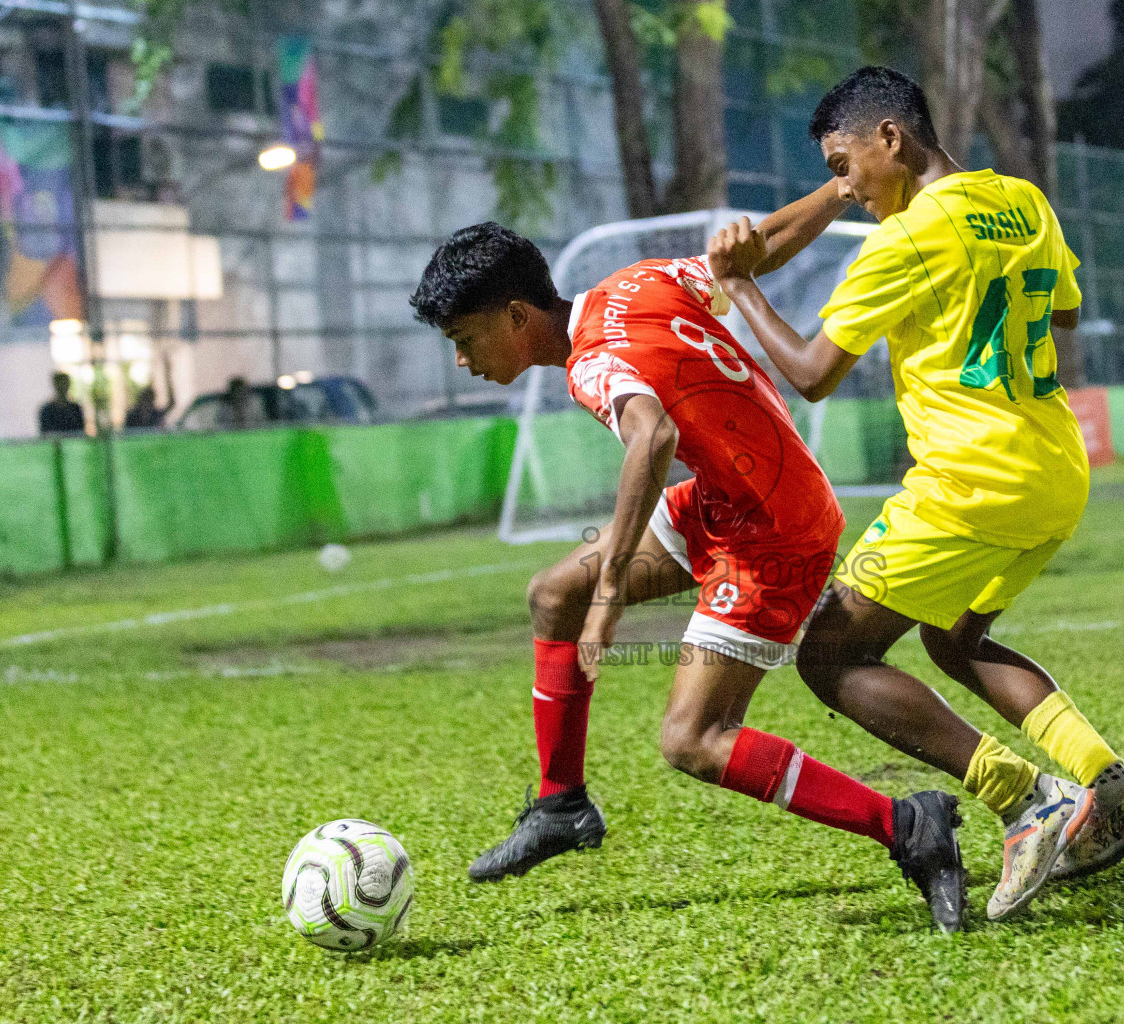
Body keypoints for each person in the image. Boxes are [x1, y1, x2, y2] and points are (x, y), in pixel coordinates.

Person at [706, 66, 1124, 921]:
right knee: (958, 640)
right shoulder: (1024, 202)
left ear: (892, 138)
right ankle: (1113, 790)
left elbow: (811, 373)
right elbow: (1061, 311)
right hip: (1053, 472)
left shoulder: (906, 241)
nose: (843, 188)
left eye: (844, 165)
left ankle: (1029, 798)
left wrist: (741, 287)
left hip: (970, 481)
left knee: (831, 656)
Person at [410, 218, 971, 932]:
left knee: (694, 739)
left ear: (516, 316)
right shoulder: (638, 282)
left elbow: (654, 434)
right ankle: (561, 805)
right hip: (727, 497)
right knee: (554, 594)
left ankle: (906, 823)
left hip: (776, 530)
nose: (462, 361)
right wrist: (836, 191)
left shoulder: (591, 362)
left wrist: (613, 588)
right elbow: (750, 253)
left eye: (465, 340)